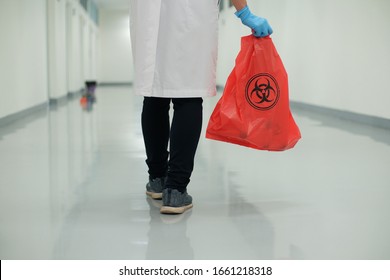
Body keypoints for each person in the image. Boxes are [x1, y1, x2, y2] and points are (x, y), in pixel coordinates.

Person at [129, 0, 273, 214]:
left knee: (154, 93)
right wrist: (245, 13)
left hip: (148, 13)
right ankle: (175, 190)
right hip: (191, 14)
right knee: (188, 94)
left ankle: (157, 179)